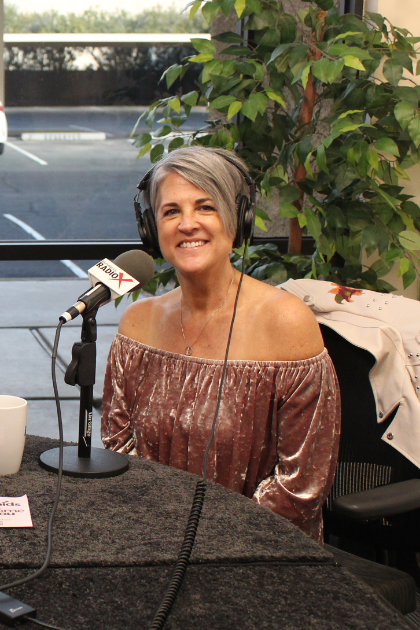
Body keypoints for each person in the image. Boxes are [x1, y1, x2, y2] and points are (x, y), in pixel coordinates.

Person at [101, 146, 340, 541]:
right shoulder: (137, 324)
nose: (187, 224)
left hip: (257, 550)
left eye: (206, 207)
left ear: (238, 219)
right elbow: (117, 451)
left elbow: (301, 487)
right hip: (150, 541)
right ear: (151, 227)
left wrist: (210, 544)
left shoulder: (286, 321)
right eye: (171, 211)